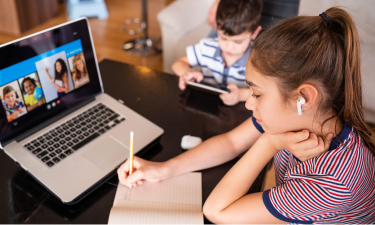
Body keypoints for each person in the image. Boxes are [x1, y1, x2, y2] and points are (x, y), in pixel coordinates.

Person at [118, 7, 375, 223]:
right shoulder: (305, 116)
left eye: (257, 93)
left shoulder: (331, 183)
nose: (250, 104)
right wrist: (163, 169)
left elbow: (216, 210)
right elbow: (231, 143)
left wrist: (270, 143)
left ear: (303, 98)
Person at [172, 0, 262, 106]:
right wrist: (186, 72)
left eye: (238, 41)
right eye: (223, 38)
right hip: (206, 106)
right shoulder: (207, 47)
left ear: (254, 33)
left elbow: (264, 93)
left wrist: (240, 95)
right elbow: (178, 64)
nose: (229, 47)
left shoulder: (258, 60)